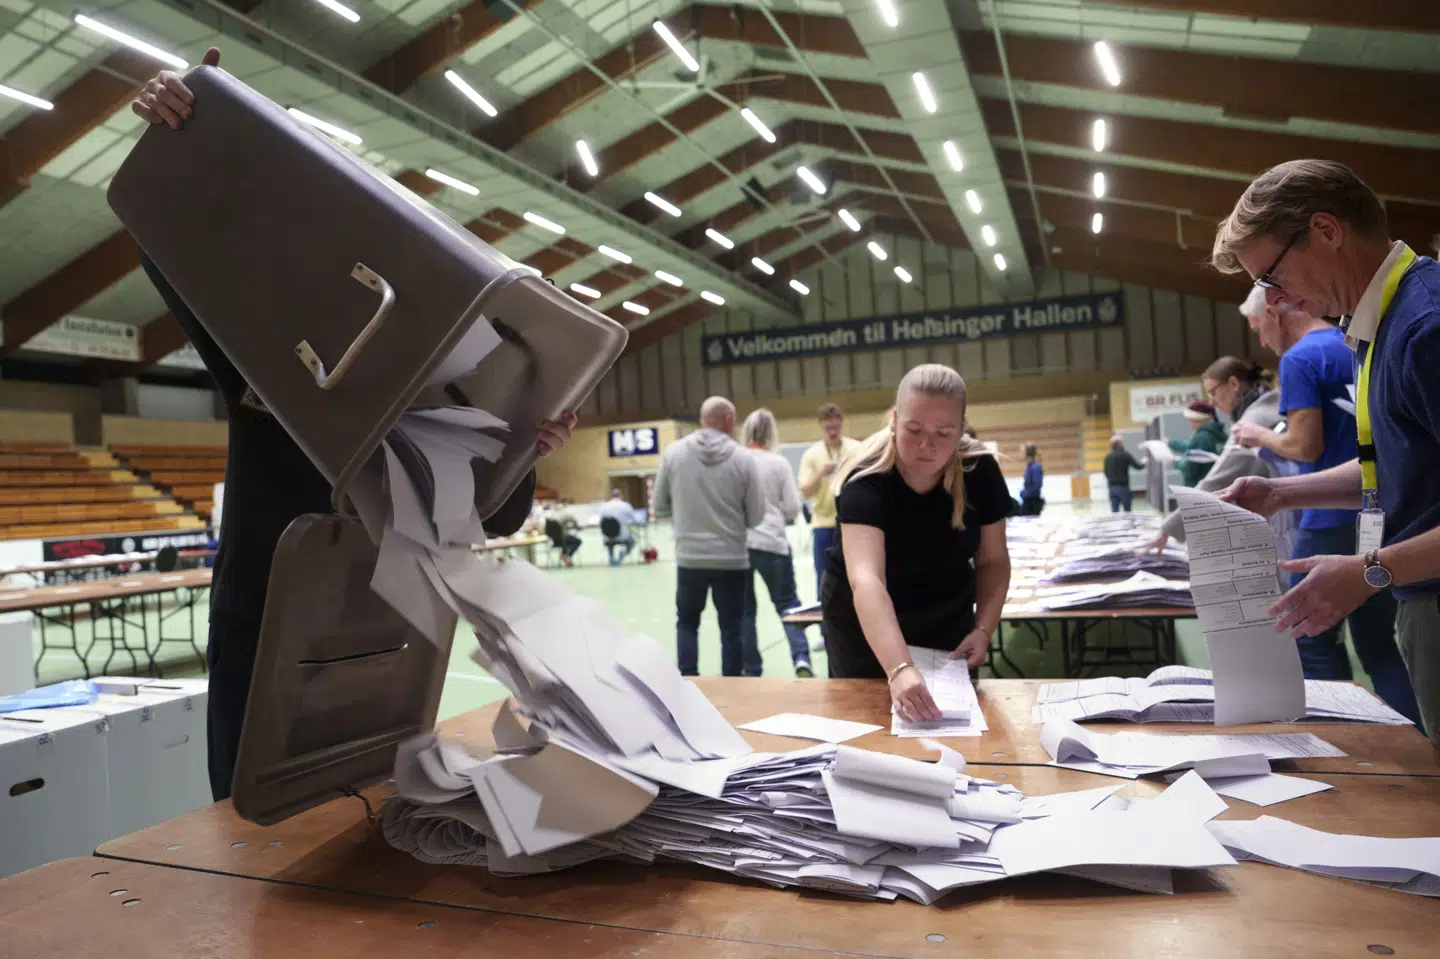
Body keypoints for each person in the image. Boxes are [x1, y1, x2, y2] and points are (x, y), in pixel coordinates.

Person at [129, 48, 576, 800]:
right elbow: (177, 253)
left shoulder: (435, 381)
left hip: (379, 634)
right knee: (248, 823)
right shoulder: (266, 352)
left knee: (362, 822)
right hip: (269, 620)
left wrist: (528, 445)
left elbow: (498, 513)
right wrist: (178, 139)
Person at [1212, 158, 1440, 740]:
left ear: (1327, 231)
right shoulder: (1379, 325)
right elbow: (1394, 462)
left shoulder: (1425, 328)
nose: (1277, 298)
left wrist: (1370, 571)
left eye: (1272, 276)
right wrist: (1282, 491)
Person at [1228, 295, 1420, 724]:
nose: (1261, 338)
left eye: (1260, 326)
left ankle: (1336, 737)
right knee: (1379, 644)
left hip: (1328, 515)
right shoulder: (1352, 346)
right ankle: (1416, 743)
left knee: (1308, 636)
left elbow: (1304, 445)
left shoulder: (1299, 359)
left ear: (1276, 313)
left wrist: (1259, 435)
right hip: (1380, 513)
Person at [820, 365, 1012, 721]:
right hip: (866, 622)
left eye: (943, 432)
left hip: (945, 611)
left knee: (948, 723)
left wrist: (983, 628)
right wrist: (898, 667)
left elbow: (993, 561)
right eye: (914, 430)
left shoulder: (980, 470)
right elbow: (867, 580)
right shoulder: (865, 479)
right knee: (870, 721)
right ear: (894, 420)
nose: (927, 445)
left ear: (961, 428)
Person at [652, 397, 766, 677]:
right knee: (731, 628)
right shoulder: (743, 458)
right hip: (731, 561)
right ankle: (733, 687)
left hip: (690, 559)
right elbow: (756, 516)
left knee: (687, 623)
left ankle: (688, 681)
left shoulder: (674, 454)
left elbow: (659, 506)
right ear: (727, 419)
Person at [1143, 351, 1280, 548]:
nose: (1212, 402)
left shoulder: (1253, 420)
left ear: (1234, 384)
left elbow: (1218, 481)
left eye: (1213, 392)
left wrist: (1169, 528)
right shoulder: (1265, 408)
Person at [739, 409, 814, 678]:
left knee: (745, 611)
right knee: (788, 604)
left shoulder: (735, 461)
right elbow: (794, 507)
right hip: (772, 543)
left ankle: (752, 668)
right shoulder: (778, 463)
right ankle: (801, 659)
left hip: (739, 546)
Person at [798, 404, 862, 595]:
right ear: (820, 426)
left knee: (858, 578)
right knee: (824, 581)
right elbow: (805, 493)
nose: (833, 432)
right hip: (823, 525)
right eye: (828, 428)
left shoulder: (856, 449)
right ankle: (826, 625)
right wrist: (820, 473)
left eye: (836, 427)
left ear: (842, 423)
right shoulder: (811, 454)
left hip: (853, 522)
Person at [1170, 402, 1226, 486]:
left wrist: (1174, 461)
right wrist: (1171, 443)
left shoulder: (1201, 438)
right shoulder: (1214, 434)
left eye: (1188, 419)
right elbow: (1192, 446)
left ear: (1195, 420)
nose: (1188, 423)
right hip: (1213, 485)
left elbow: (1189, 470)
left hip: (1200, 487)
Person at [1103, 436, 1145, 512]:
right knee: (1127, 512)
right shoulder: (1125, 455)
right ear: (1120, 444)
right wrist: (1143, 462)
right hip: (1124, 488)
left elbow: (1105, 472)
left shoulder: (1108, 457)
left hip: (1112, 488)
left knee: (1115, 512)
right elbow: (1138, 466)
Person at [597, 489, 636, 565]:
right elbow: (634, 520)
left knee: (610, 537)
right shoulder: (626, 505)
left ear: (611, 496)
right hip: (623, 537)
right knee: (632, 541)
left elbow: (601, 522)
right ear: (621, 496)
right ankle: (621, 556)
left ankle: (611, 557)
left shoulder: (603, 507)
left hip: (607, 538)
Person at [543, 497, 584, 567]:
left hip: (554, 539)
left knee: (568, 540)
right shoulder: (565, 512)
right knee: (578, 541)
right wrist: (577, 527)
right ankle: (566, 556)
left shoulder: (553, 511)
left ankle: (564, 554)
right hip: (562, 538)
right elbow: (573, 520)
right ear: (565, 503)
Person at [1018, 443, 1044, 515]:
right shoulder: (1029, 466)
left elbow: (1037, 485)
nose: (1021, 454)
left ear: (1027, 453)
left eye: (1022, 452)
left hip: (1033, 503)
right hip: (1028, 500)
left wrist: (1024, 494)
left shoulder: (1035, 467)